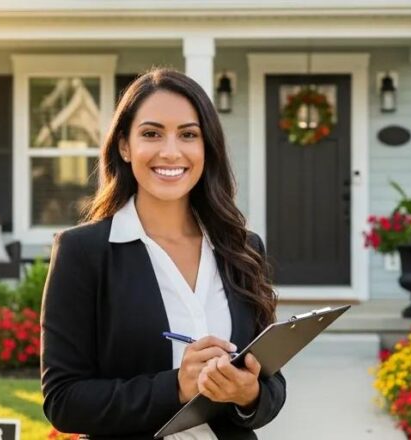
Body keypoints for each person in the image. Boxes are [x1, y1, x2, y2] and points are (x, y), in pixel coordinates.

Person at [40, 68, 286, 440]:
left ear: (206, 147)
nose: (171, 151)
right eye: (151, 134)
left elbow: (272, 387)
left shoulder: (243, 249)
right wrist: (177, 388)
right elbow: (63, 401)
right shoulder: (83, 252)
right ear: (125, 146)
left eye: (188, 135)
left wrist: (248, 393)